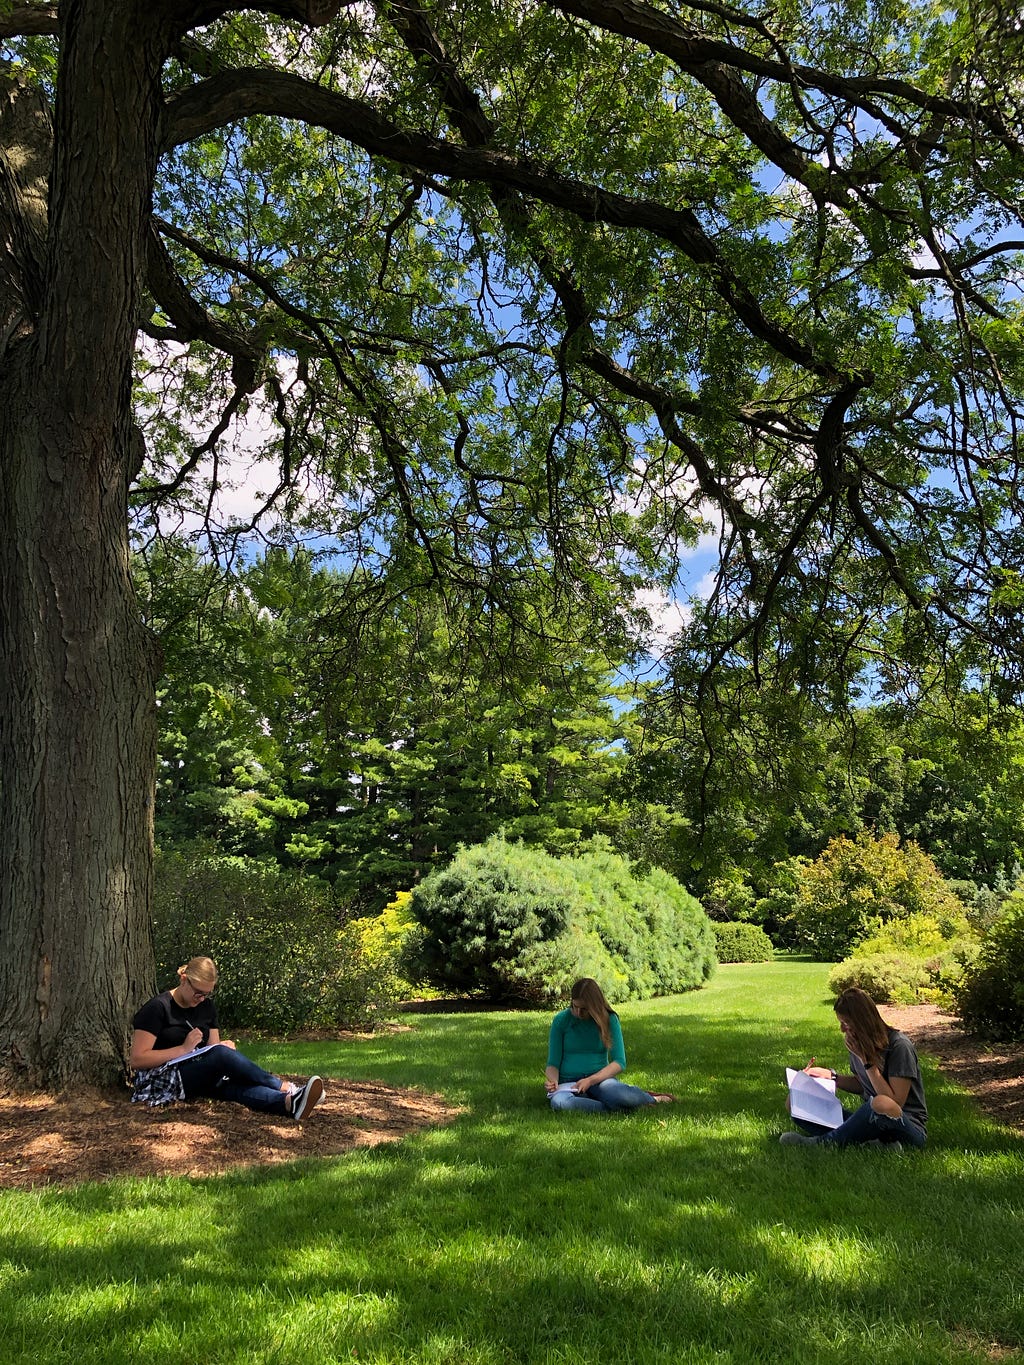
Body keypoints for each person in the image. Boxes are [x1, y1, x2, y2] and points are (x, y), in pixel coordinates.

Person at [129, 956, 325, 1120]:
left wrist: (223, 1047)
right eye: (198, 993)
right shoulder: (158, 1008)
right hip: (162, 1078)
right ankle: (285, 1087)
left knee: (230, 1086)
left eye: (207, 994)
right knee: (222, 1057)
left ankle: (289, 1103)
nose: (201, 999)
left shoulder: (206, 1007)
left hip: (197, 1072)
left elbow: (213, 1048)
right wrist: (183, 1049)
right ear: (183, 979)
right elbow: (138, 1059)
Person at [780, 986, 927, 1149]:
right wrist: (832, 1077)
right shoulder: (858, 1043)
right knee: (794, 1102)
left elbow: (895, 1102)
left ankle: (822, 1143)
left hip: (905, 1125)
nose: (842, 1029)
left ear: (863, 1022)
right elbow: (862, 1084)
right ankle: (874, 1144)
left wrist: (867, 1061)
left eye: (846, 1023)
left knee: (881, 1103)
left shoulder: (899, 1046)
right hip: (872, 1122)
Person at [544, 977, 675, 1114]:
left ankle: (650, 1098)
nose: (578, 1013)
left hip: (600, 1080)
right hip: (569, 1084)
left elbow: (619, 1062)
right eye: (575, 1006)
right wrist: (552, 1082)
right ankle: (615, 1108)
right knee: (560, 1103)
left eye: (584, 1009)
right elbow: (553, 1063)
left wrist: (590, 1080)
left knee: (619, 1094)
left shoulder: (609, 1020)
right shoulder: (561, 1020)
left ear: (594, 1006)